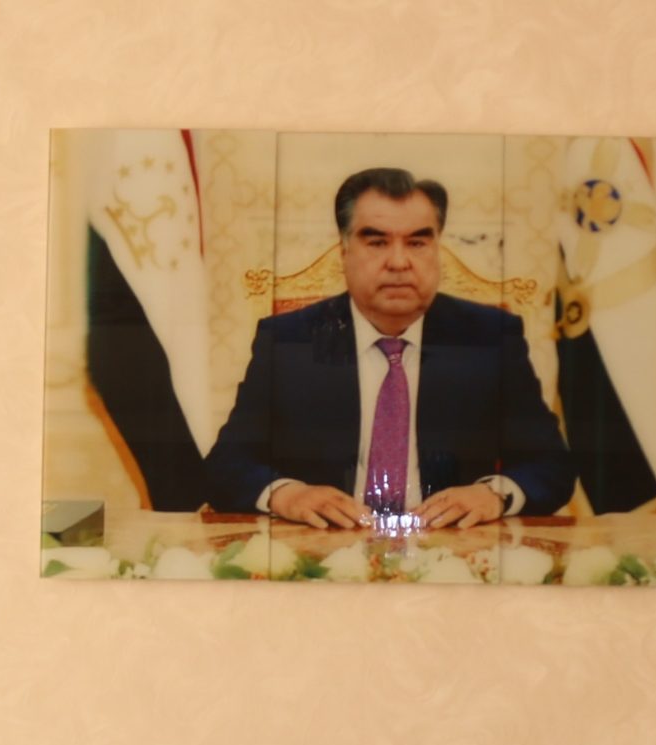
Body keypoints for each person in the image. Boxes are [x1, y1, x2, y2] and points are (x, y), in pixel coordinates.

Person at [202, 169, 574, 527]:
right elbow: (226, 466)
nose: (398, 262)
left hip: (452, 549)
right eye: (377, 242)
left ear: (437, 250)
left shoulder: (487, 338)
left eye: (417, 242)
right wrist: (288, 495)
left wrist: (493, 495)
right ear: (344, 252)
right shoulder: (289, 340)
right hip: (325, 548)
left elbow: (551, 466)